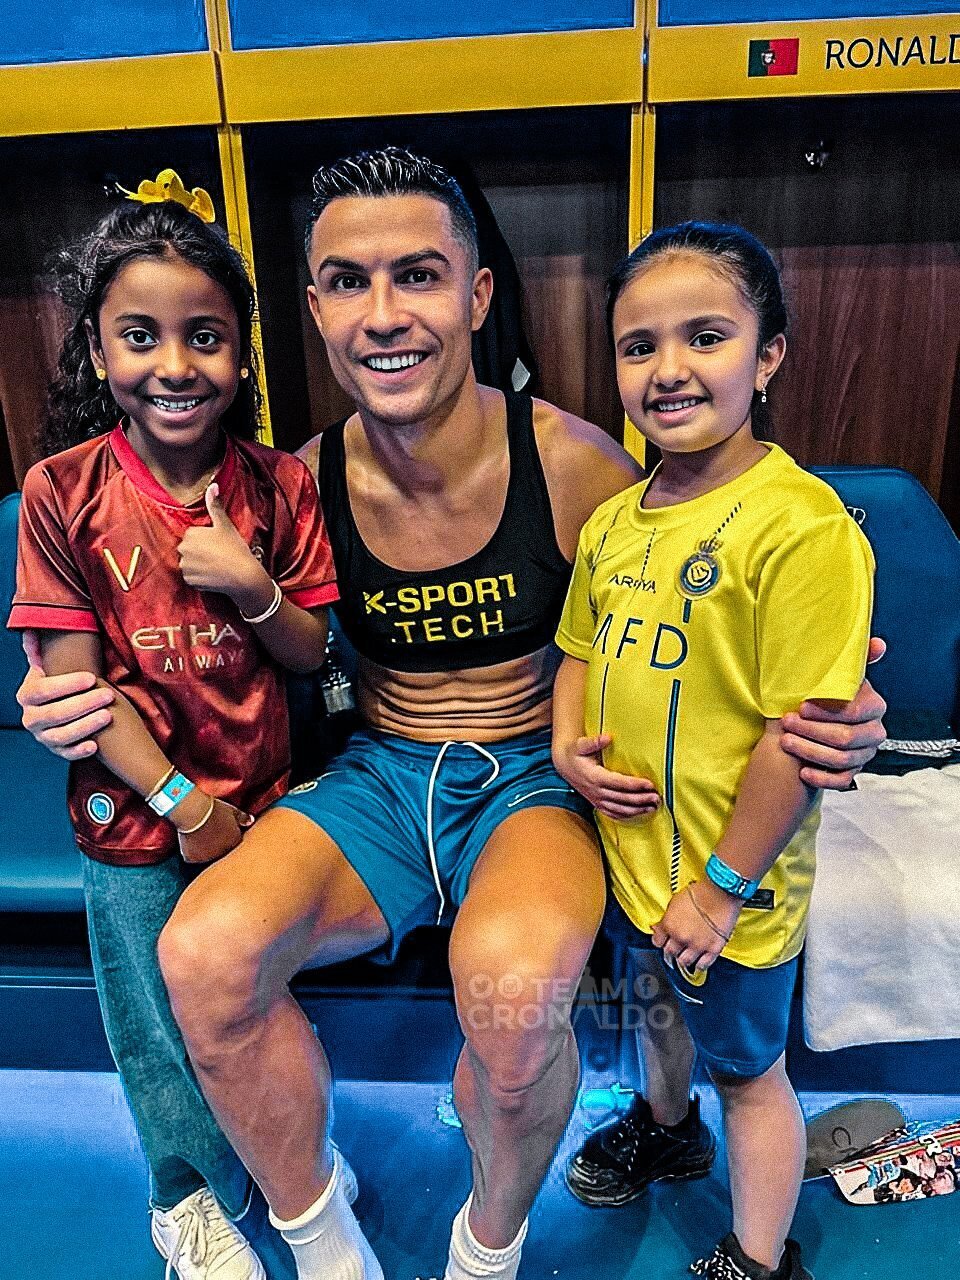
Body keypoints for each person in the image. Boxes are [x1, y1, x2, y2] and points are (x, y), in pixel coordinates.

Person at [16, 150, 887, 1280]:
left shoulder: (576, 466)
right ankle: (323, 1239)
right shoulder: (295, 482)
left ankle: (486, 1247)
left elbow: (690, 618)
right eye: (349, 280)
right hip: (378, 775)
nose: (385, 314)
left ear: (476, 296)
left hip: (531, 780)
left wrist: (838, 706)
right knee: (204, 954)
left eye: (418, 275)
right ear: (316, 307)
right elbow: (170, 630)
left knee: (514, 1001)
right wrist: (67, 690)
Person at [7, 190, 338, 1280]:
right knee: (153, 1022)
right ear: (99, 351)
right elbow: (74, 688)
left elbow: (309, 652)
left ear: (241, 353)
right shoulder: (63, 490)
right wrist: (183, 806)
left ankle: (287, 1167)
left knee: (251, 1003)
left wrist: (250, 585)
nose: (175, 364)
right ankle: (184, 1196)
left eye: (205, 336)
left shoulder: (280, 486)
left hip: (264, 806)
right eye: (140, 336)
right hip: (139, 817)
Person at [554, 222, 875, 1280]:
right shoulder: (613, 522)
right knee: (657, 1015)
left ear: (767, 354)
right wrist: (565, 746)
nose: (669, 369)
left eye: (705, 336)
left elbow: (801, 737)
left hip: (733, 889)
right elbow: (578, 649)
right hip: (635, 863)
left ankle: (759, 1254)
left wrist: (723, 889)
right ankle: (665, 1127)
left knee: (748, 1073)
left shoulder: (803, 525)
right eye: (638, 345)